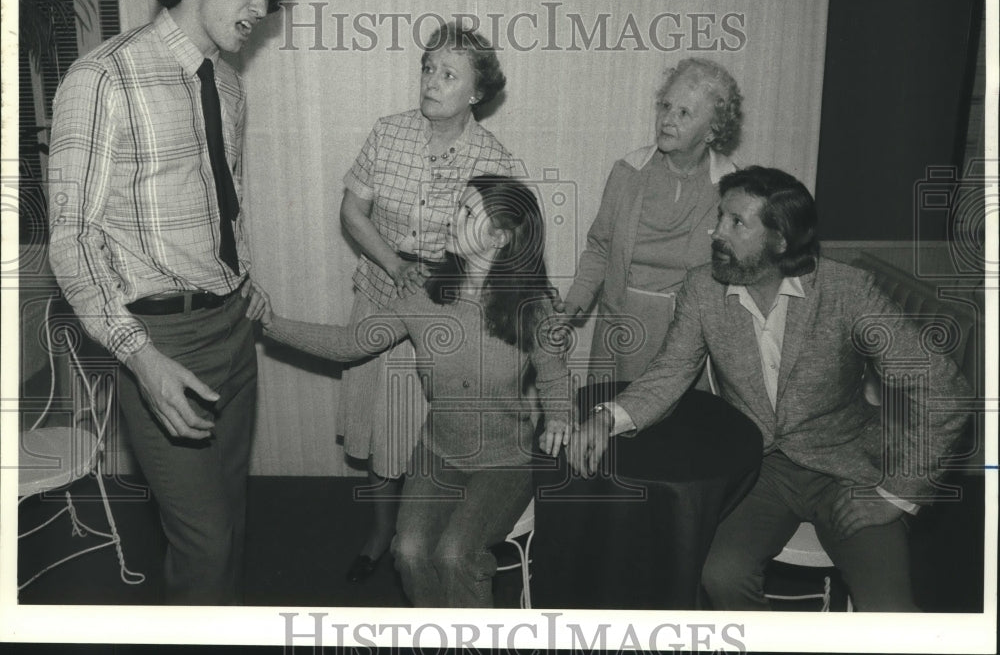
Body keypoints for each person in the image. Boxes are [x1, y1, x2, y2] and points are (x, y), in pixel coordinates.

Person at [568, 166, 971, 611]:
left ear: (780, 239)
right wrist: (608, 418)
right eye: (720, 216)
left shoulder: (847, 291)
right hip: (759, 469)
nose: (716, 232)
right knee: (719, 575)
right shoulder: (702, 289)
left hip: (847, 470)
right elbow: (669, 372)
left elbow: (944, 388)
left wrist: (896, 494)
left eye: (736, 222)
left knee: (891, 613)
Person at [47, 0, 296, 604]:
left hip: (231, 329)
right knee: (204, 537)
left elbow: (227, 198)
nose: (259, 6)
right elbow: (72, 238)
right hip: (158, 340)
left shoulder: (227, 83)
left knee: (231, 517)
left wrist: (247, 278)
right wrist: (141, 358)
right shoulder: (104, 78)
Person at [264, 176, 572, 606]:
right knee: (407, 552)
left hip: (505, 461)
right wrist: (271, 323)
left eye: (466, 213)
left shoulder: (533, 307)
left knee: (454, 554)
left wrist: (559, 414)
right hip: (439, 451)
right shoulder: (427, 294)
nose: (451, 218)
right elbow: (350, 343)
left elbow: (555, 376)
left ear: (500, 238)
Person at [338, 22, 518, 581]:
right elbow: (351, 212)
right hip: (377, 300)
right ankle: (376, 534)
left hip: (442, 324)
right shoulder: (388, 133)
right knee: (375, 430)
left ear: (477, 93)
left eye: (448, 74)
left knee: (423, 432)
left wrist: (434, 285)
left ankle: (419, 537)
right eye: (427, 68)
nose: (432, 82)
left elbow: (497, 257)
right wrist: (394, 266)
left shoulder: (496, 162)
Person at [560, 58, 742, 382]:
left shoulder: (731, 187)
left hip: (688, 337)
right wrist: (572, 305)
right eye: (665, 106)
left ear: (713, 130)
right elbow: (600, 249)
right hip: (621, 329)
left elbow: (738, 273)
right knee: (611, 423)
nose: (667, 119)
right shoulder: (628, 172)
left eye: (684, 113)